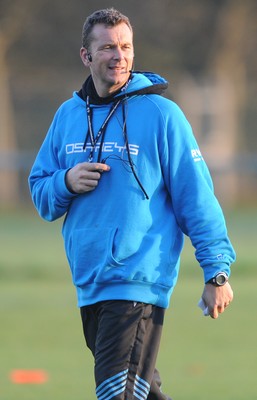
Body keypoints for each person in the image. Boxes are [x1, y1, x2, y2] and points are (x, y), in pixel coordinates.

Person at [28, 7, 236, 400]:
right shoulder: (67, 115)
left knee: (115, 393)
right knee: (140, 393)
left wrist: (217, 271)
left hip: (138, 280)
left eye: (125, 46)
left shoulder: (162, 115)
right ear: (86, 56)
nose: (119, 55)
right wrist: (66, 181)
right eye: (107, 47)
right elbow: (41, 193)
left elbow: (197, 197)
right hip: (89, 283)